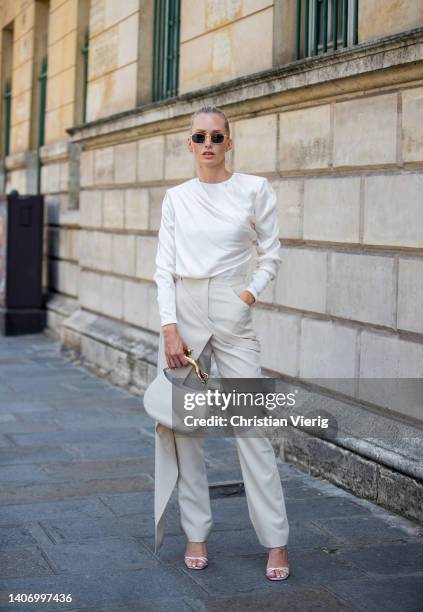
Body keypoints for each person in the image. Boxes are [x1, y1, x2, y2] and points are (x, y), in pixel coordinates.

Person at [152, 105, 290, 581]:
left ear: (229, 142)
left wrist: (250, 293)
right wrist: (169, 327)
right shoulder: (176, 198)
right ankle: (196, 532)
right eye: (199, 136)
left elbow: (271, 251)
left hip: (232, 306)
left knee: (250, 426)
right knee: (184, 429)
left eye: (216, 136)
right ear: (189, 145)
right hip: (184, 313)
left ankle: (275, 541)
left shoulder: (254, 189)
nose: (208, 144)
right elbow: (163, 267)